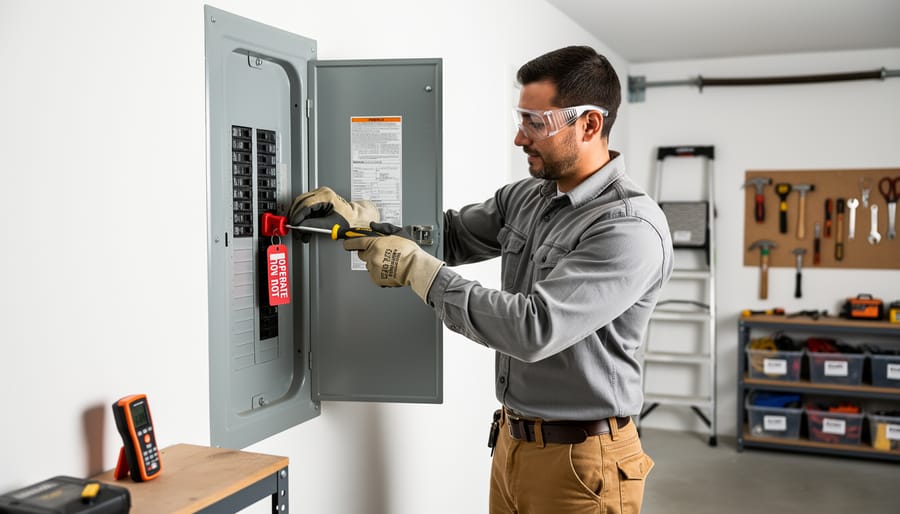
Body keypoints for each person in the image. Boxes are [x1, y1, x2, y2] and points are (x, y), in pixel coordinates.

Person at [290, 45, 673, 514]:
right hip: (513, 443)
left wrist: (417, 269)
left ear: (590, 125)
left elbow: (534, 329)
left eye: (537, 123)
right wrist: (363, 221)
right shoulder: (527, 198)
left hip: (583, 463)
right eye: (521, 119)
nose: (520, 137)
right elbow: (446, 235)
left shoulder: (628, 227)